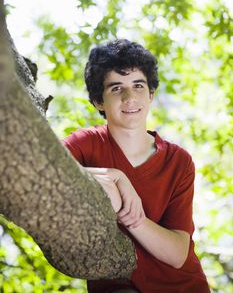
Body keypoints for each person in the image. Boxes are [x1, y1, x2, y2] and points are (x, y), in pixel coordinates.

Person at [63, 39, 210, 293]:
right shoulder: (85, 145)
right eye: (116, 88)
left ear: (150, 94)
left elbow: (177, 253)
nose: (130, 97)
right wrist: (113, 176)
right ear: (99, 101)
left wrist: (131, 216)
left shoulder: (178, 161)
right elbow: (40, 174)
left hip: (183, 286)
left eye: (138, 86)